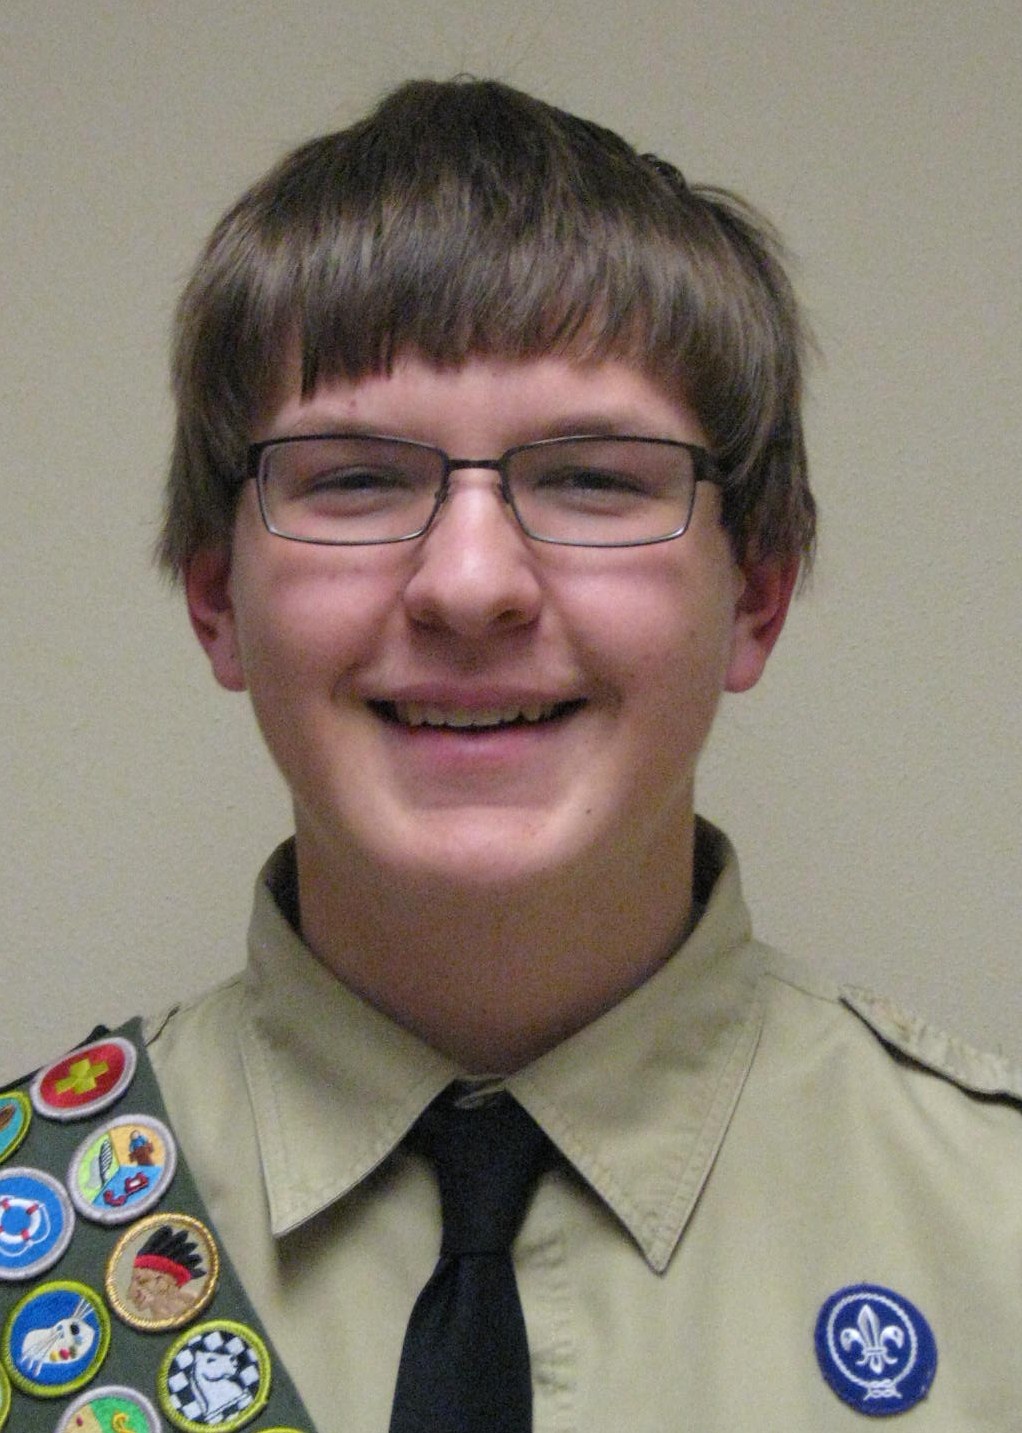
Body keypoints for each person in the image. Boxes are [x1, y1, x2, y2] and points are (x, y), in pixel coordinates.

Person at [4, 78, 1020, 1431]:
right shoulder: (30, 1241)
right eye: (353, 478)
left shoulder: (996, 1233)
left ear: (758, 596)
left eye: (594, 479)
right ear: (214, 598)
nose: (470, 583)